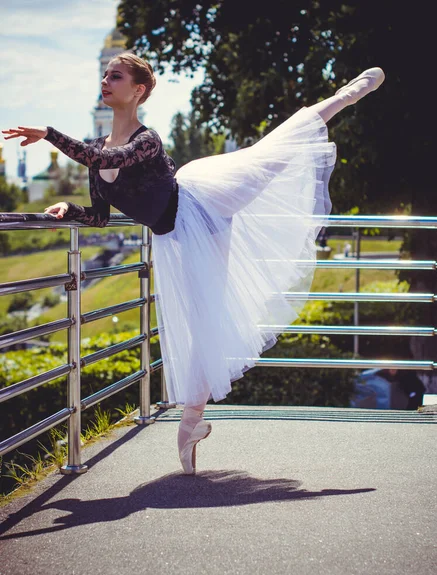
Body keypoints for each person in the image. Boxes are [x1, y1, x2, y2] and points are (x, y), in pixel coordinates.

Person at [2, 53, 385, 475]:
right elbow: (101, 215)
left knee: (273, 154)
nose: (106, 81)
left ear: (138, 91)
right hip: (181, 237)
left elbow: (111, 161)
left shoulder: (146, 140)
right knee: (204, 327)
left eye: (117, 76)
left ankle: (343, 98)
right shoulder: (96, 152)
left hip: (203, 199)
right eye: (105, 74)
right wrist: (67, 209)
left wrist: (50, 134)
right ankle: (190, 426)